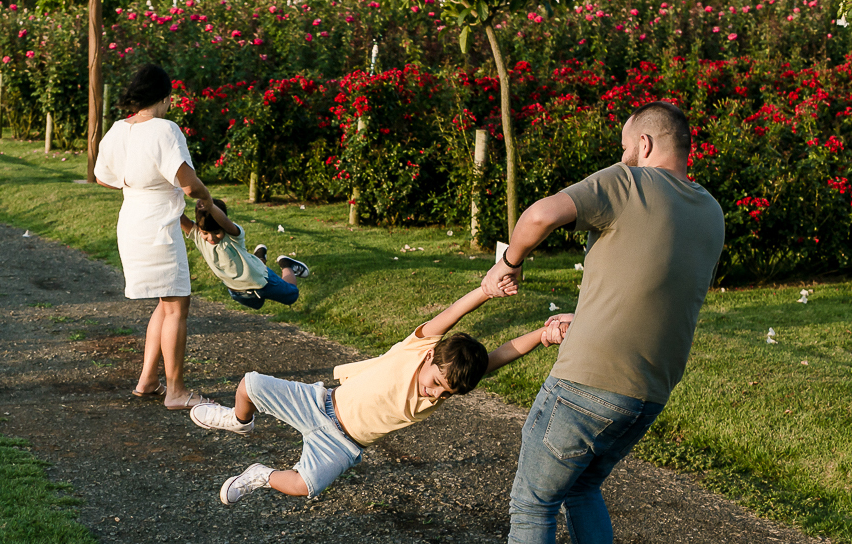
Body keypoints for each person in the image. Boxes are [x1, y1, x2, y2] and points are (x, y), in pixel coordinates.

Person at [442, 101, 726, 544]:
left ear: (645, 145)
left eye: (625, 146)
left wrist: (510, 264)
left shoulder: (630, 182)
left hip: (587, 381)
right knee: (581, 486)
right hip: (648, 390)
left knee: (533, 499)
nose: (621, 156)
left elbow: (541, 214)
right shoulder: (710, 210)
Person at [188, 281, 563, 504]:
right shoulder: (417, 347)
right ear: (430, 355)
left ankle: (259, 474)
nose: (434, 395)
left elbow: (502, 354)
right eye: (435, 383)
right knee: (250, 384)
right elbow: (452, 313)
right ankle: (237, 421)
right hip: (318, 404)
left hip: (343, 443)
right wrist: (485, 290)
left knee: (306, 485)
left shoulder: (447, 386)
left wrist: (543, 336)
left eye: (445, 394)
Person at [94, 63, 211, 409]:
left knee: (166, 300)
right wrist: (207, 199)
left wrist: (139, 183)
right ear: (166, 97)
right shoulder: (165, 129)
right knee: (177, 305)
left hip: (132, 220)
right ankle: (176, 391)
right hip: (160, 226)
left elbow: (103, 176)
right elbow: (189, 184)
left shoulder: (117, 130)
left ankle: (147, 381)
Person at [180, 198, 309, 310]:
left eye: (216, 232)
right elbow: (178, 216)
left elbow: (224, 221)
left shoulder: (232, 235)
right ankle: (259, 257)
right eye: (205, 233)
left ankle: (286, 264)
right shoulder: (198, 236)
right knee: (257, 304)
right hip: (237, 290)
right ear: (199, 228)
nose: (211, 237)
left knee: (292, 296)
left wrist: (210, 205)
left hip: (261, 281)